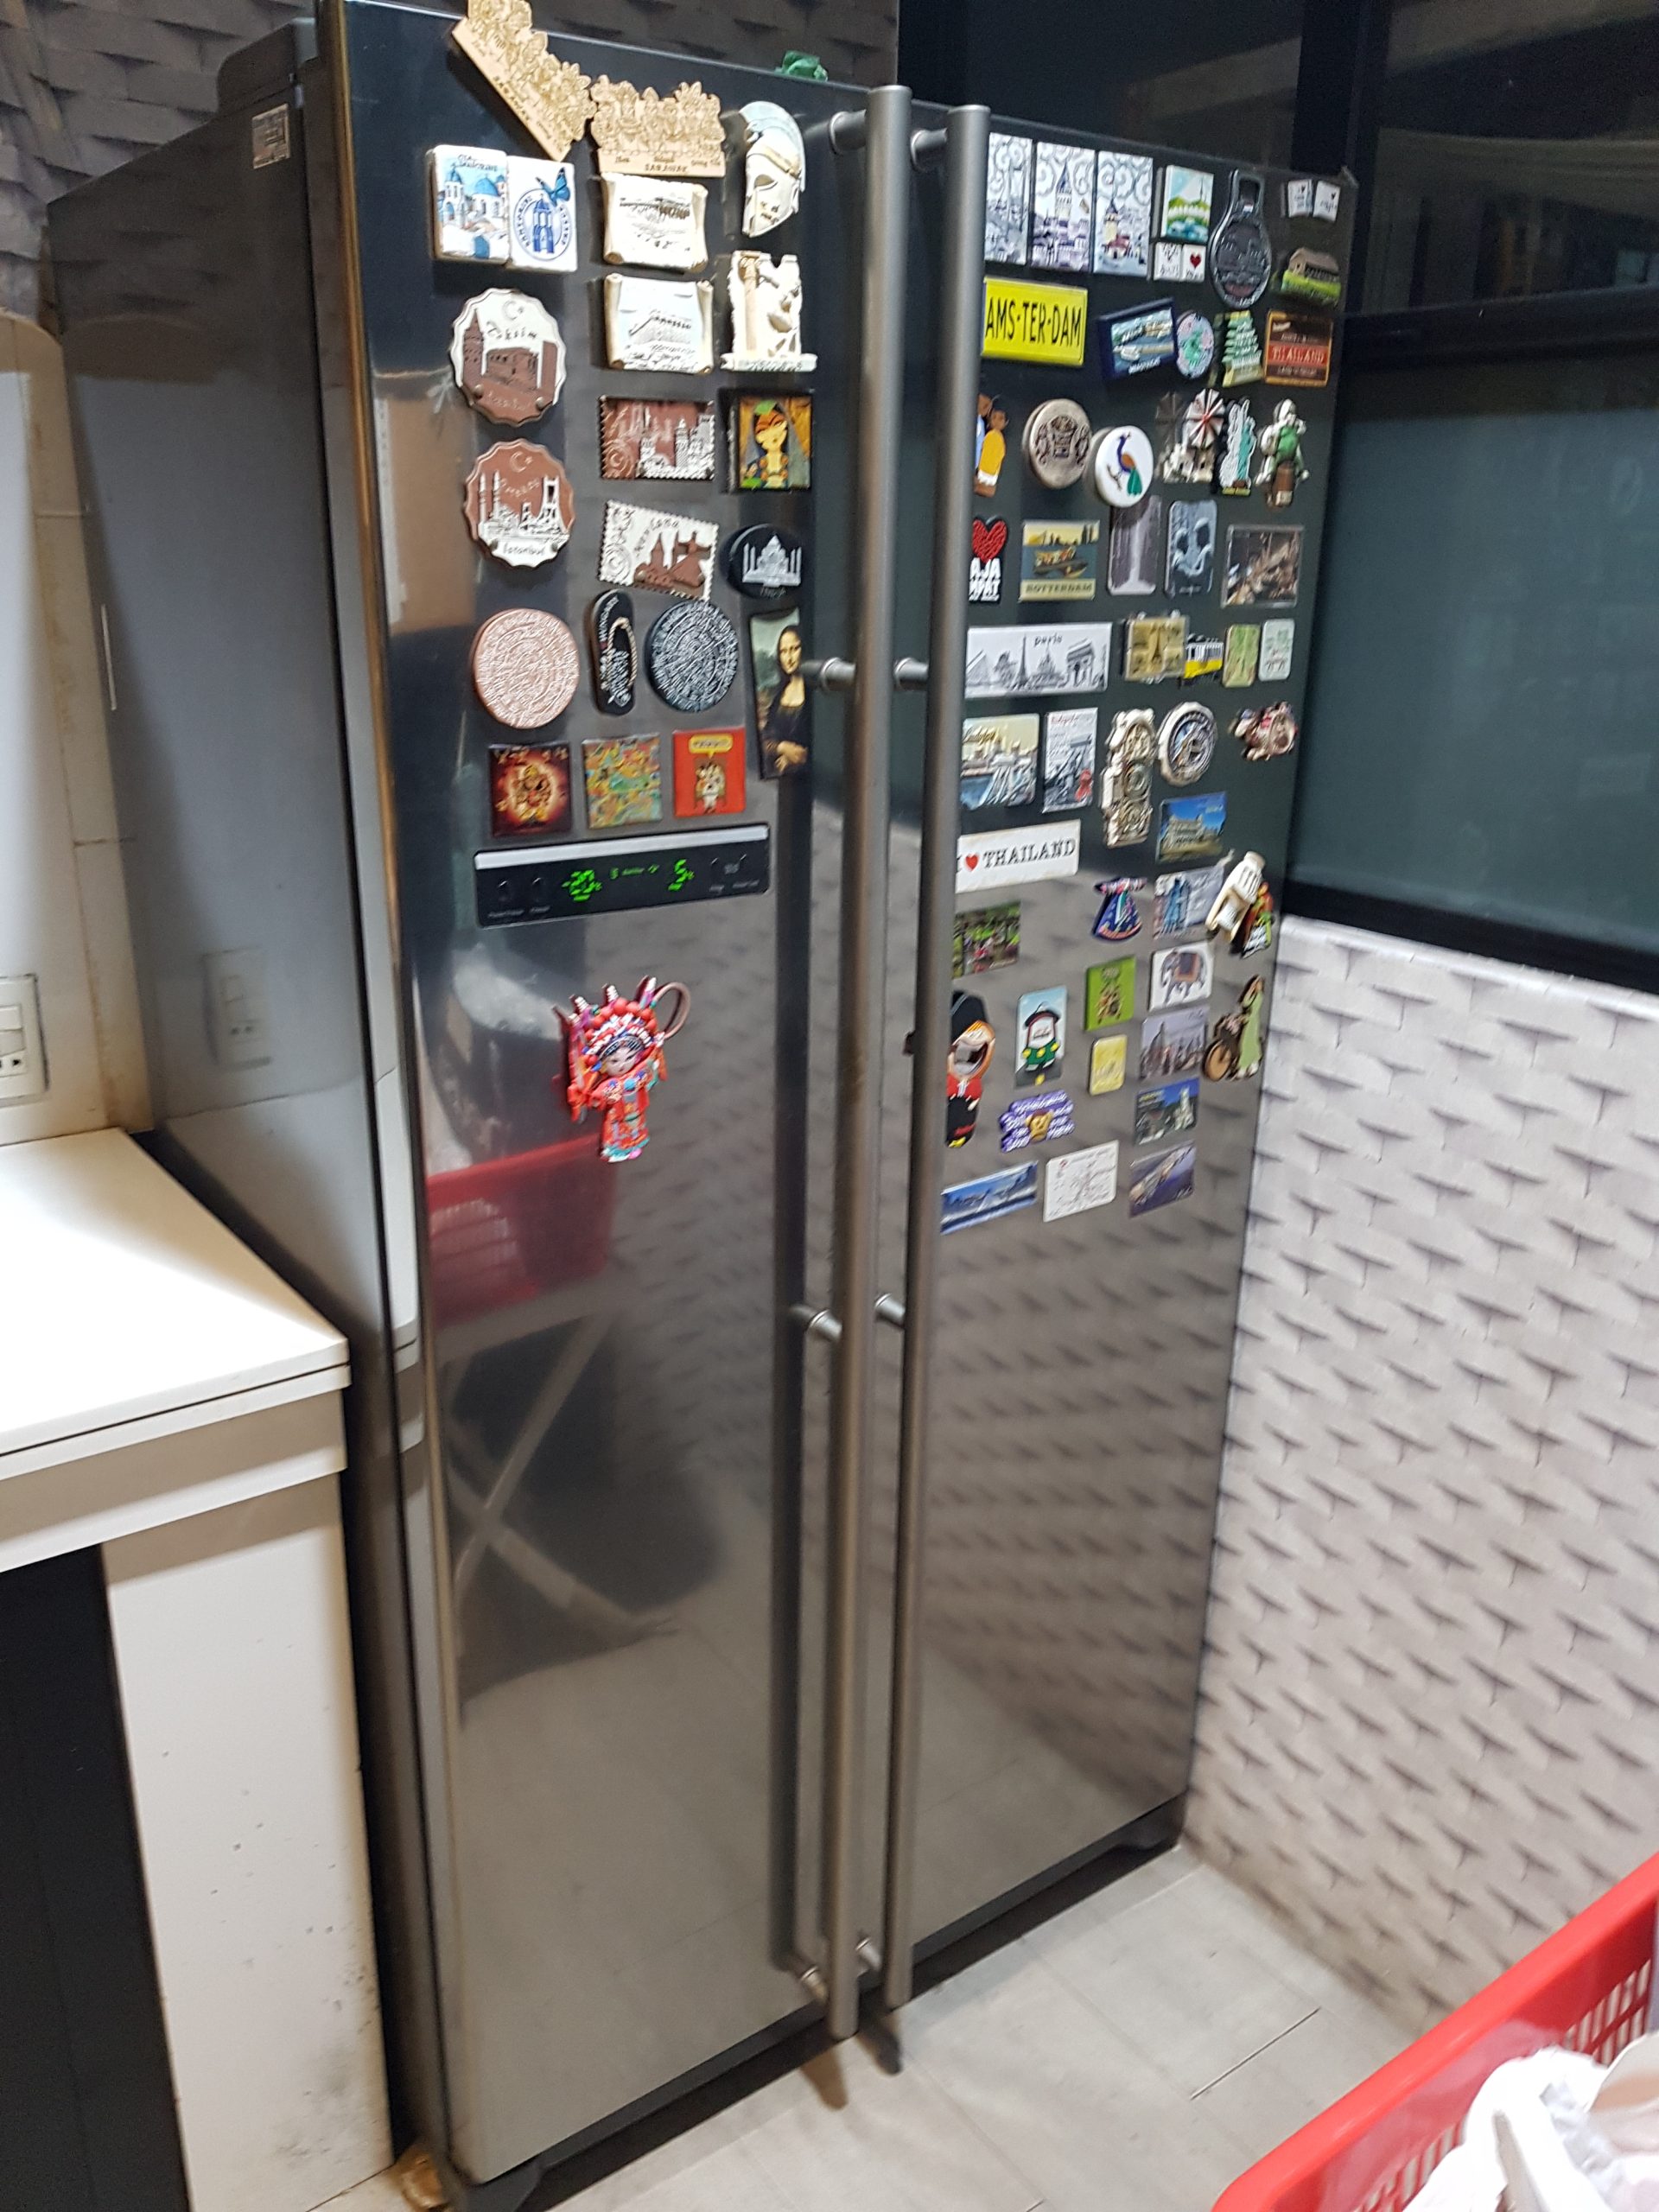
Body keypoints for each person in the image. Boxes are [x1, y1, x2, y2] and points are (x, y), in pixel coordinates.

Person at [759, 623, 808, 774]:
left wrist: (797, 758)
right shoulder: (775, 693)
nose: (789, 658)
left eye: (794, 649)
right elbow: (764, 739)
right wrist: (782, 748)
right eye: (783, 651)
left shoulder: (814, 692)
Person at [976, 397, 1007, 497]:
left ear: (1005, 423)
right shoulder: (987, 434)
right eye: (994, 417)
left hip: (991, 471)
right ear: (989, 418)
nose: (997, 421)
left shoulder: (998, 439)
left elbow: (1001, 454)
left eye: (1001, 418)